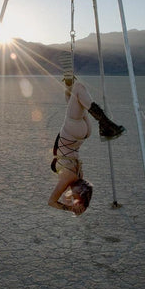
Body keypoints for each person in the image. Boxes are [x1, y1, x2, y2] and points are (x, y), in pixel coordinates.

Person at [48, 78, 125, 215]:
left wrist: (75, 204)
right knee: (78, 88)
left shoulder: (78, 175)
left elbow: (71, 194)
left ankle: (68, 84)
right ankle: (105, 123)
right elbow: (51, 202)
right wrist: (71, 208)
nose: (70, 196)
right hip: (71, 133)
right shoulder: (67, 178)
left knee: (75, 100)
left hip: (82, 133)